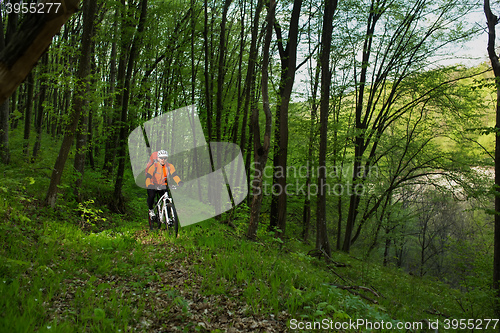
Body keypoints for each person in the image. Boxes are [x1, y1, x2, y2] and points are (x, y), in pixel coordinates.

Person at [145, 150, 183, 223]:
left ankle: (168, 217)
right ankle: (151, 210)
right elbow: (148, 177)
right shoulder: (154, 166)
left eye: (165, 158)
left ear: (167, 158)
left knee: (167, 199)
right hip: (152, 184)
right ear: (158, 158)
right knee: (152, 196)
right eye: (161, 158)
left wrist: (179, 182)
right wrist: (149, 184)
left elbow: (174, 175)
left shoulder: (169, 166)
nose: (163, 160)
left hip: (163, 185)